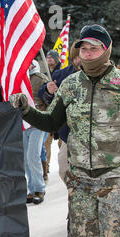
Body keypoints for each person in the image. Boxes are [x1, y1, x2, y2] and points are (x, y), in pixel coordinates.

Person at [9, 24, 120, 237]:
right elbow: (52, 121)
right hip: (82, 181)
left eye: (94, 48)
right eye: (83, 49)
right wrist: (26, 110)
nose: (87, 54)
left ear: (106, 50)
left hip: (118, 179)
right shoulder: (70, 84)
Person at [39, 42, 82, 182]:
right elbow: (43, 93)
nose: (78, 61)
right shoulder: (62, 74)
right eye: (75, 57)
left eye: (80, 56)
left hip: (92, 137)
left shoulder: (96, 74)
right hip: (67, 134)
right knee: (64, 170)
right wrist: (48, 90)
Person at [24, 60, 49, 204]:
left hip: (38, 122)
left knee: (33, 155)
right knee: (26, 159)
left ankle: (40, 188)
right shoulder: (17, 79)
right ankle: (32, 189)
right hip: (23, 123)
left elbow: (49, 99)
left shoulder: (40, 79)